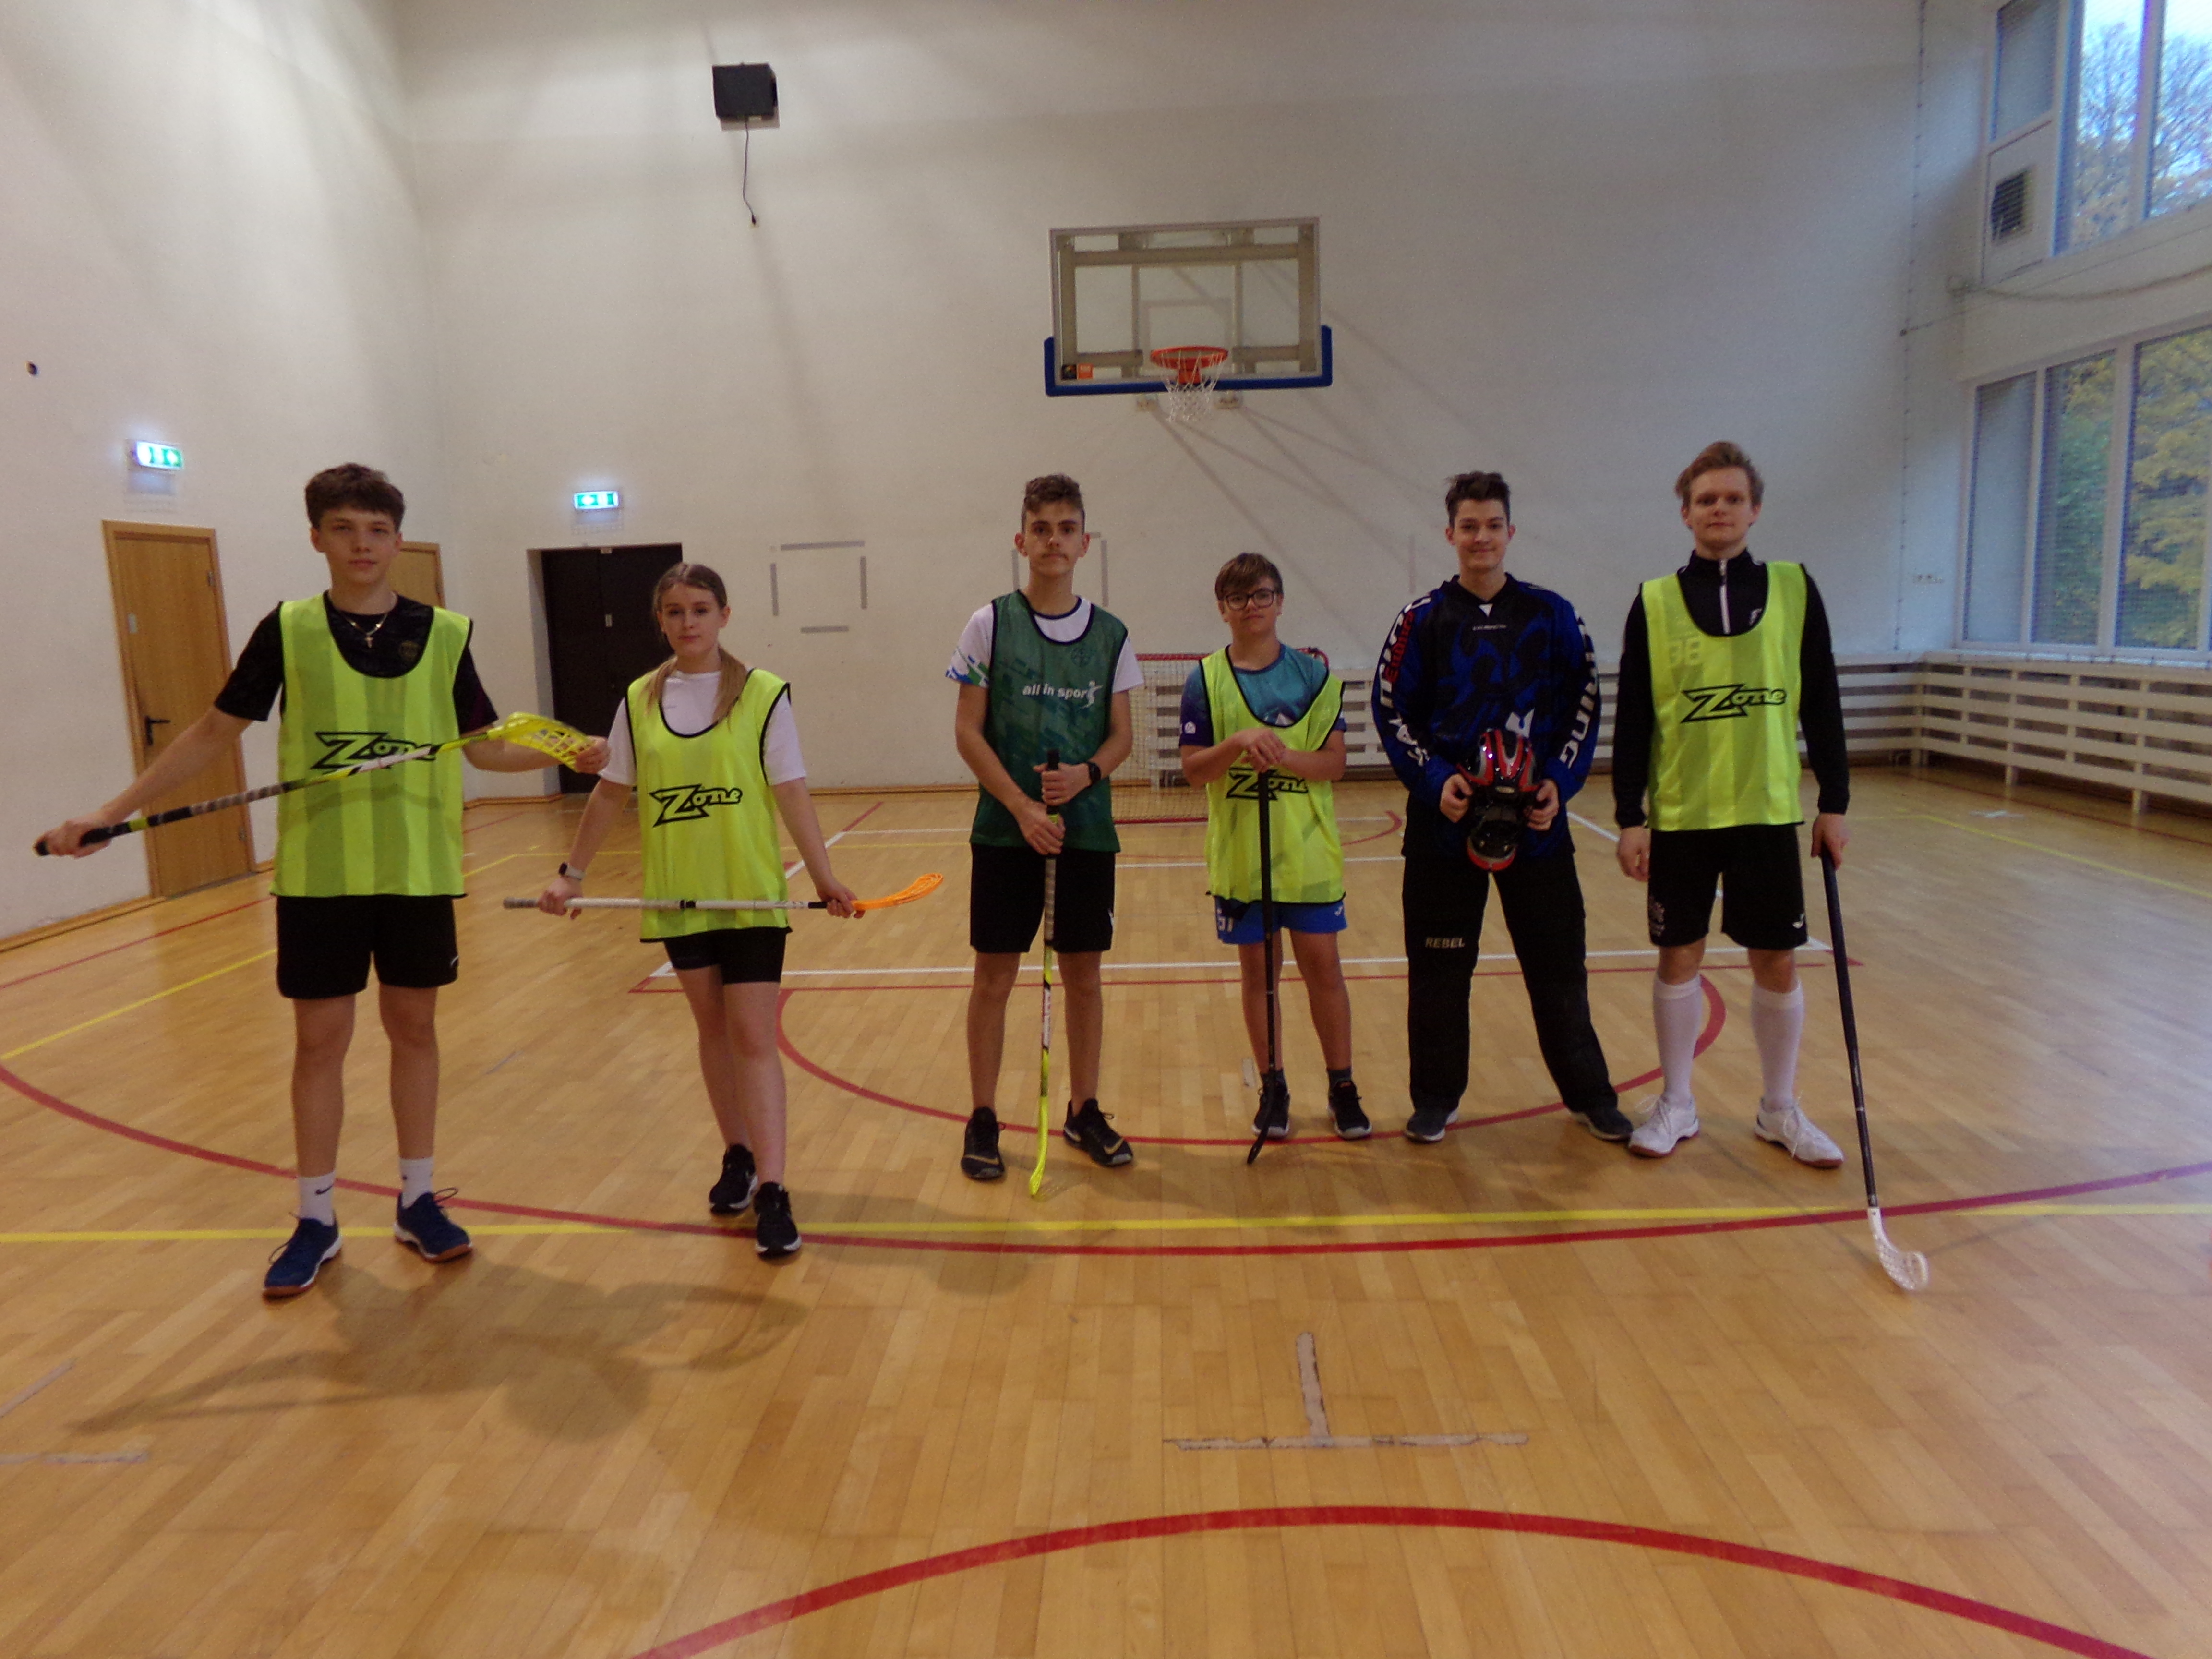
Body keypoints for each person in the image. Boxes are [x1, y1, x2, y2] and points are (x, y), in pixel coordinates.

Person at [40, 464, 607, 1298]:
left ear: (398, 540)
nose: (362, 545)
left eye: (377, 530)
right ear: (317, 538)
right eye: (344, 529)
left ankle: (417, 1200)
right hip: (320, 875)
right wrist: (109, 811)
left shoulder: (444, 633)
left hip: (416, 870)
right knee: (319, 1044)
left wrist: (571, 752)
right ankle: (315, 1217)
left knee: (414, 1032)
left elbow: (484, 746)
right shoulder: (289, 629)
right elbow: (213, 732)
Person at [539, 563, 856, 1258]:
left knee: (753, 1036)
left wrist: (825, 876)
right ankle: (737, 1156)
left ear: (724, 616)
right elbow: (610, 793)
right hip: (679, 893)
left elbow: (791, 789)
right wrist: (571, 876)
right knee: (713, 1031)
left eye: (702, 609)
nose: (689, 622)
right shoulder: (639, 699)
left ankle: (774, 1188)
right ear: (660, 620)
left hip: (748, 895)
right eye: (676, 611)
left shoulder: (763, 694)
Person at [1611, 441, 1850, 1166]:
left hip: (1768, 813)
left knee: (1776, 960)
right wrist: (1629, 816)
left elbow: (1823, 701)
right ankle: (1678, 1104)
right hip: (1683, 816)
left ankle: (1779, 1109)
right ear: (1685, 513)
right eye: (1707, 499)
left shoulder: (1795, 589)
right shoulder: (1654, 602)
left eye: (1733, 499)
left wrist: (1835, 801)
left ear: (1755, 510)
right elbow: (1633, 717)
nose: (1721, 509)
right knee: (1678, 955)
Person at [1374, 470, 1630, 1145]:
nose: (1481, 537)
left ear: (1510, 532)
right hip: (1445, 826)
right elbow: (1392, 709)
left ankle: (1591, 1096)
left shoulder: (1553, 614)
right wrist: (1435, 780)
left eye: (1492, 525)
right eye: (1469, 526)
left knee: (1558, 968)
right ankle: (1435, 1099)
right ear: (1450, 534)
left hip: (1537, 827)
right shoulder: (1421, 619)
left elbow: (1583, 702)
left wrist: (1560, 783)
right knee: (1439, 972)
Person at [948, 473, 1139, 1179]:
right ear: (1021, 540)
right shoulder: (990, 624)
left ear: (1085, 543)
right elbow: (968, 733)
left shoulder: (1113, 635)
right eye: (1041, 528)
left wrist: (1087, 774)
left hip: (1084, 832)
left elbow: (1122, 736)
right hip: (1006, 834)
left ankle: (1084, 1110)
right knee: (995, 974)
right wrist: (1023, 807)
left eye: (1066, 529)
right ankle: (983, 1117)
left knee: (1084, 976)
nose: (1053, 540)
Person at [1178, 553, 1368, 1141]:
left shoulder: (1314, 678)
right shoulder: (1205, 679)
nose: (1251, 607)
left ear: (1280, 602)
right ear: (1222, 609)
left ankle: (1342, 1087)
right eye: (1238, 598)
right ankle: (1274, 1086)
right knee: (1260, 975)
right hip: (1242, 861)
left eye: (1262, 595)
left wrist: (1283, 756)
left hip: (1308, 856)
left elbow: (1334, 765)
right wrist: (1238, 742)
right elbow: (1194, 771)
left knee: (1324, 970)